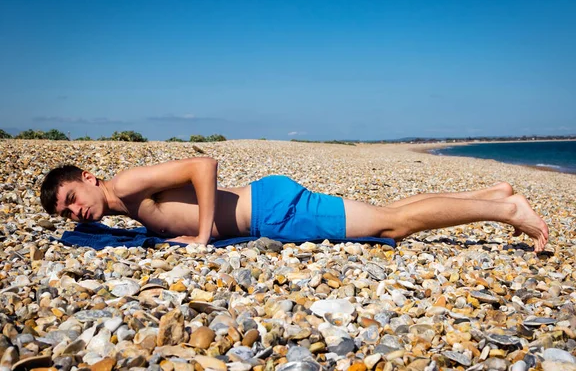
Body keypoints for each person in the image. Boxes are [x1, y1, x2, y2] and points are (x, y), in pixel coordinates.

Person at [40, 157, 549, 252]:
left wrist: (200, 235)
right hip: (270, 205)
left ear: (87, 179)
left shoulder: (125, 184)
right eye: (65, 213)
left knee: (393, 226)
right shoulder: (124, 206)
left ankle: (506, 212)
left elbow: (203, 164)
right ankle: (492, 196)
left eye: (70, 199)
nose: (73, 212)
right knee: (388, 211)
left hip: (273, 211)